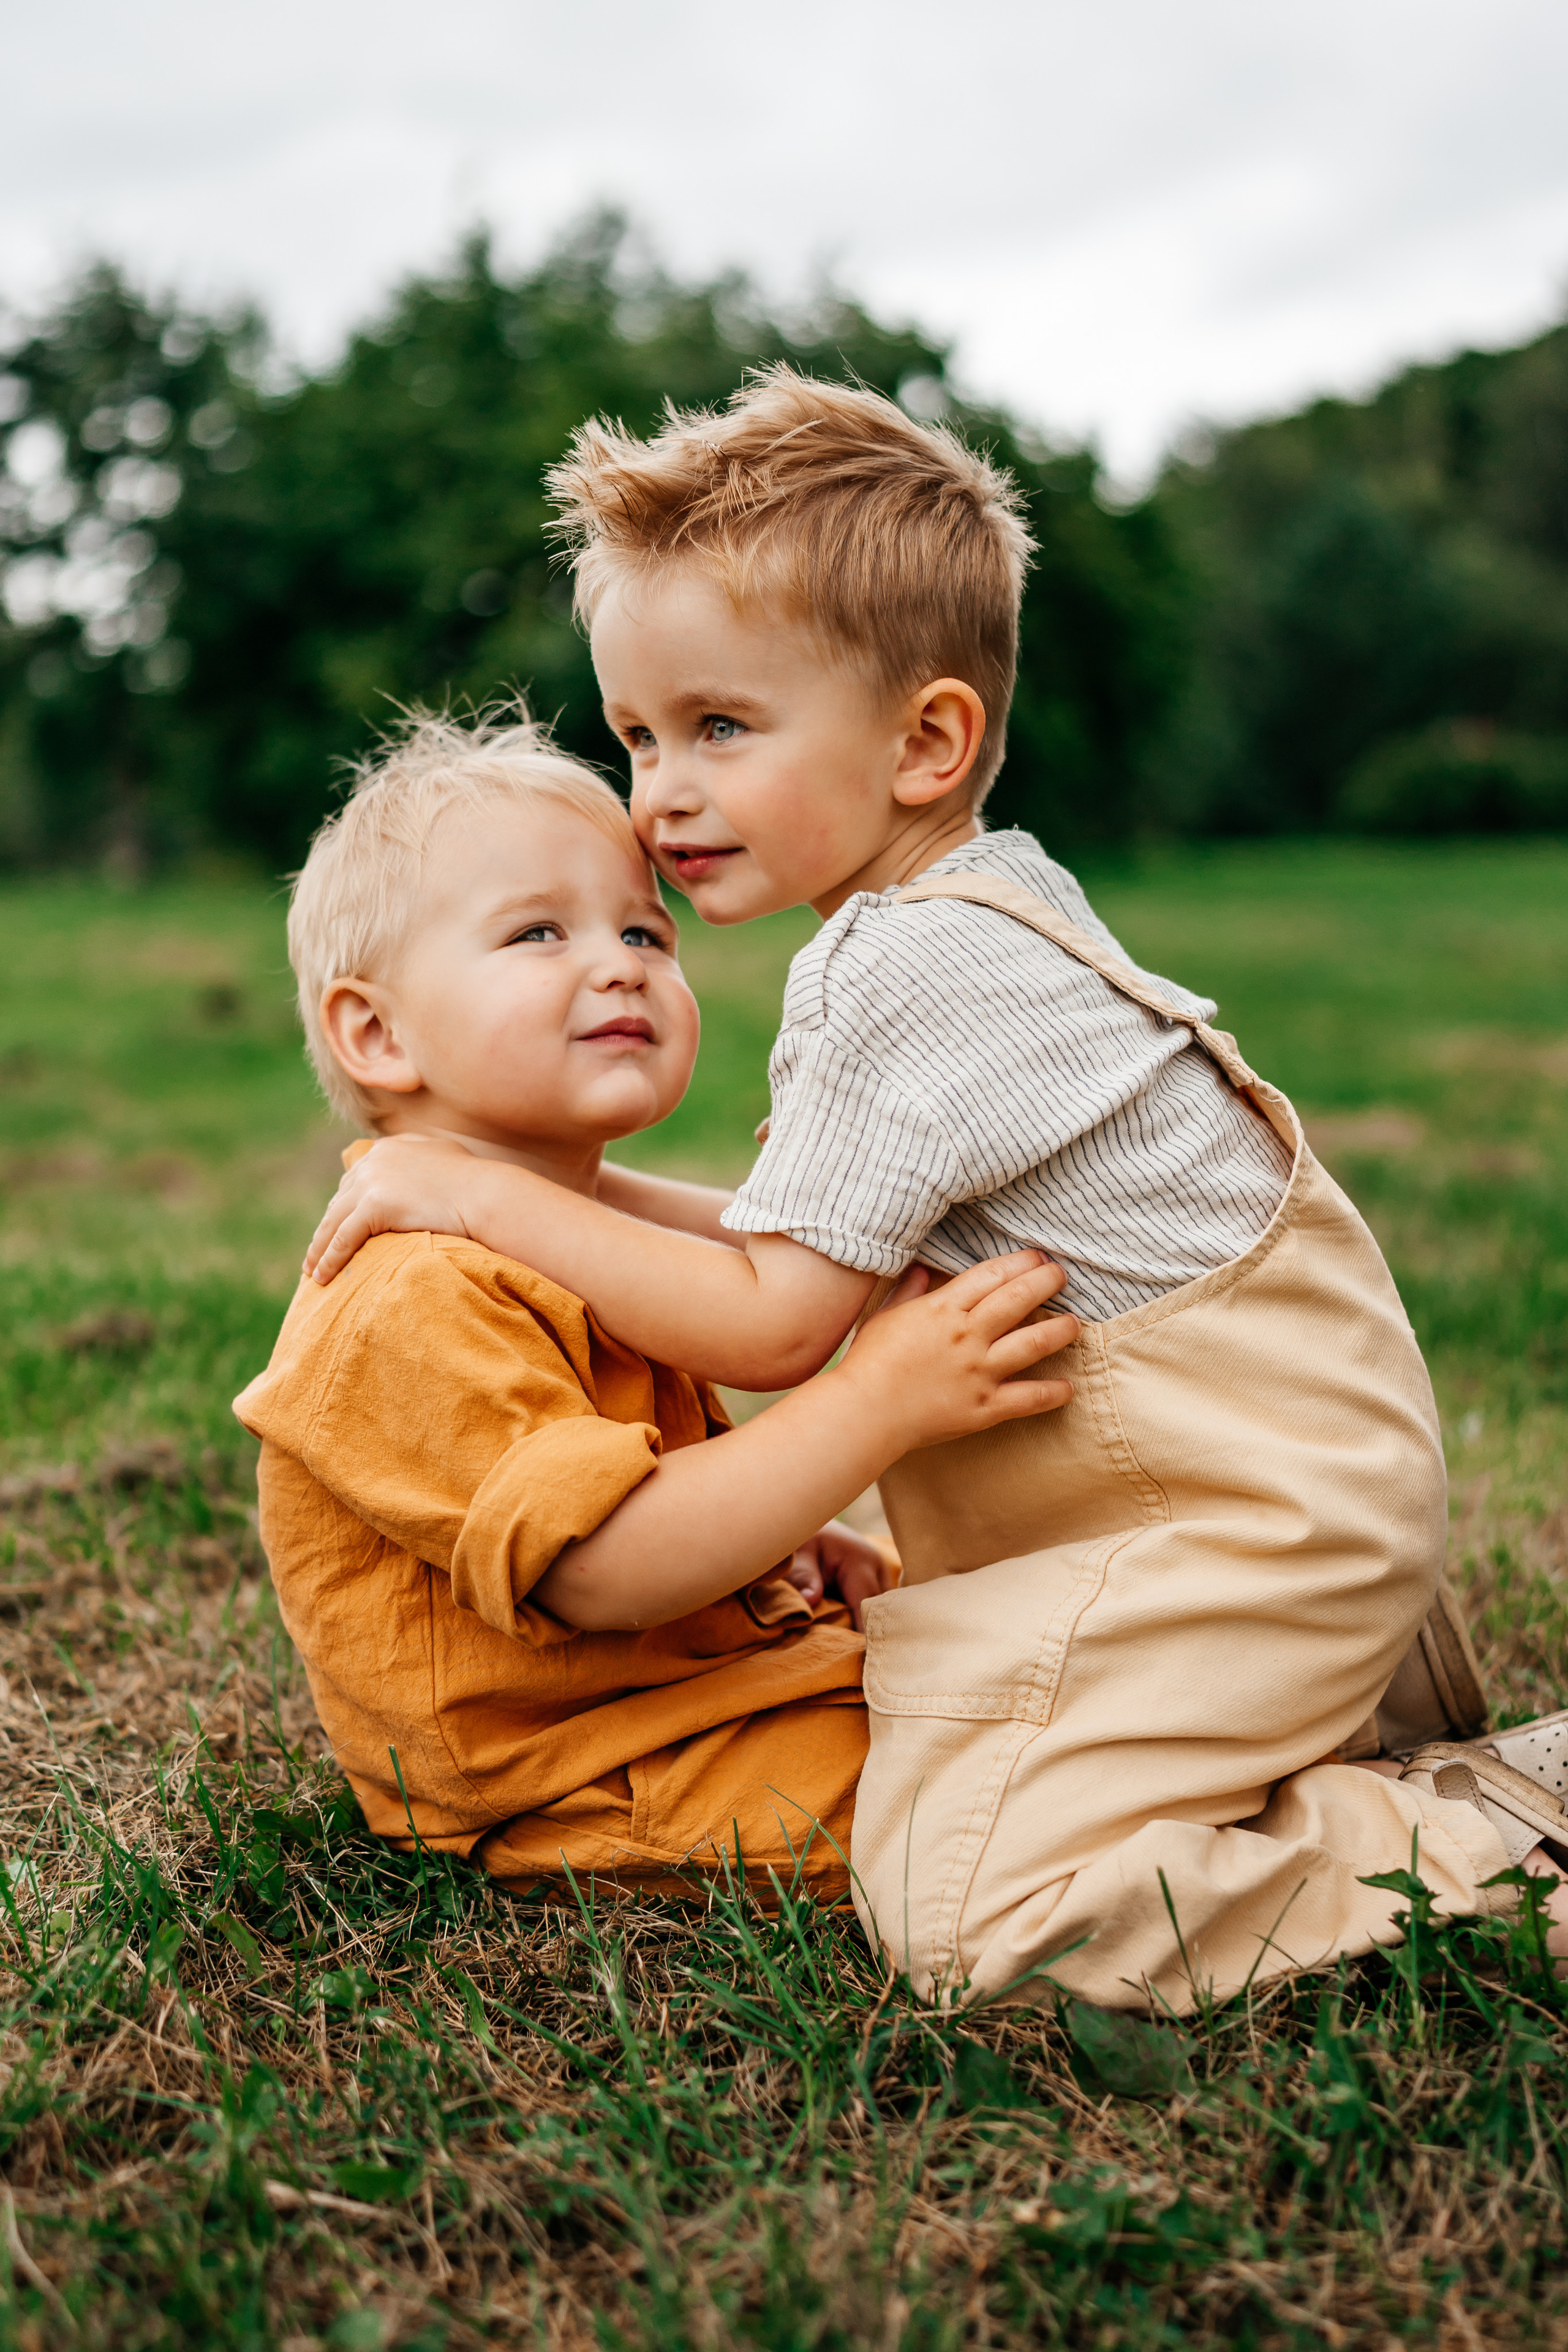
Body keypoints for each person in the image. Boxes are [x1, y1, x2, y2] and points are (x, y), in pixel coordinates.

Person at [304, 372, 1568, 2010]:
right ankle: (1342, 1765)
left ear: (926, 741)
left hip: (1233, 1521)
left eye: (720, 728)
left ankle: (1481, 1848)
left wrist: (479, 1200)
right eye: (638, 735)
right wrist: (508, 1184)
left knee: (978, 1909)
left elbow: (770, 1328)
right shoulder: (972, 910)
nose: (662, 791)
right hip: (1258, 1487)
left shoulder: (899, 971)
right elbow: (782, 1250)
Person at [234, 710, 1074, 1904]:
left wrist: (767, 1545)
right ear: (376, 1032)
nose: (620, 961)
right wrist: (875, 1404)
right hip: (593, 1764)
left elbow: (757, 1263)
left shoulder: (542, 1219)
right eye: (537, 931)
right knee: (988, 1793)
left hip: (692, 1685)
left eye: (644, 929)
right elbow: (603, 1568)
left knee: (1018, 1656)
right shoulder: (410, 1290)